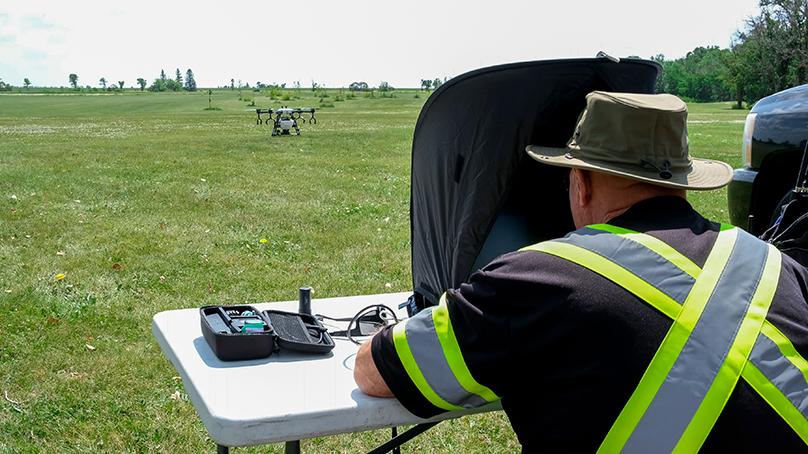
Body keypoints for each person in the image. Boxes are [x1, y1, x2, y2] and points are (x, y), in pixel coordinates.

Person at [354, 91, 808, 452]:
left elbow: (376, 370)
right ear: (682, 184)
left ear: (580, 181)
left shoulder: (538, 279)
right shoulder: (776, 264)